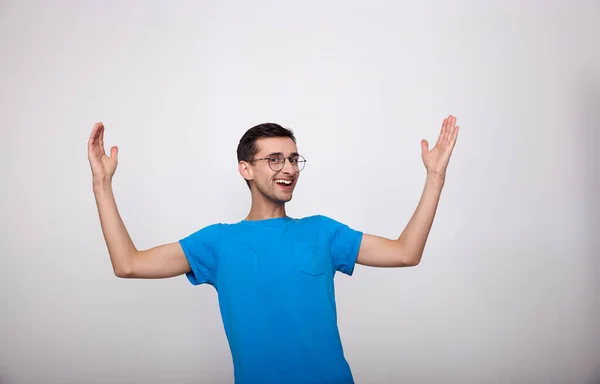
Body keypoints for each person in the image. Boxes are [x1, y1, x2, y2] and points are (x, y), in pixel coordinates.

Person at [87, 116, 460, 384]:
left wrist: (435, 177)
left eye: (294, 159)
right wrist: (102, 183)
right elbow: (128, 264)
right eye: (275, 159)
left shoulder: (323, 232)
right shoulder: (216, 243)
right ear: (245, 169)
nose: (289, 168)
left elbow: (406, 252)